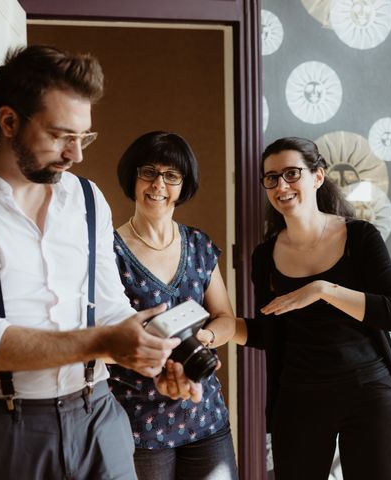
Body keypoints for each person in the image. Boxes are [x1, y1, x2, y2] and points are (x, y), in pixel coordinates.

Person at [0, 45, 195, 480]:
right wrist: (105, 344)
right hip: (10, 430)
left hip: (101, 415)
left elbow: (111, 309)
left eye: (84, 137)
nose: (77, 154)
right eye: (62, 136)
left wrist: (156, 359)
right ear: (9, 122)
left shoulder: (87, 199)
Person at [232, 136, 391, 479]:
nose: (281, 185)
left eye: (291, 173)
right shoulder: (263, 257)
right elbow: (270, 332)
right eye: (271, 177)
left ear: (317, 176)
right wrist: (222, 329)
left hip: (369, 395)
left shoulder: (360, 237)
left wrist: (323, 290)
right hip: (299, 401)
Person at [108, 131, 239, 480]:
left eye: (171, 176)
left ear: (183, 184)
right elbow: (100, 336)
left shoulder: (198, 244)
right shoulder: (109, 252)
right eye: (148, 172)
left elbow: (227, 318)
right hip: (140, 424)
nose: (158, 184)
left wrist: (205, 339)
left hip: (205, 415)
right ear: (133, 178)